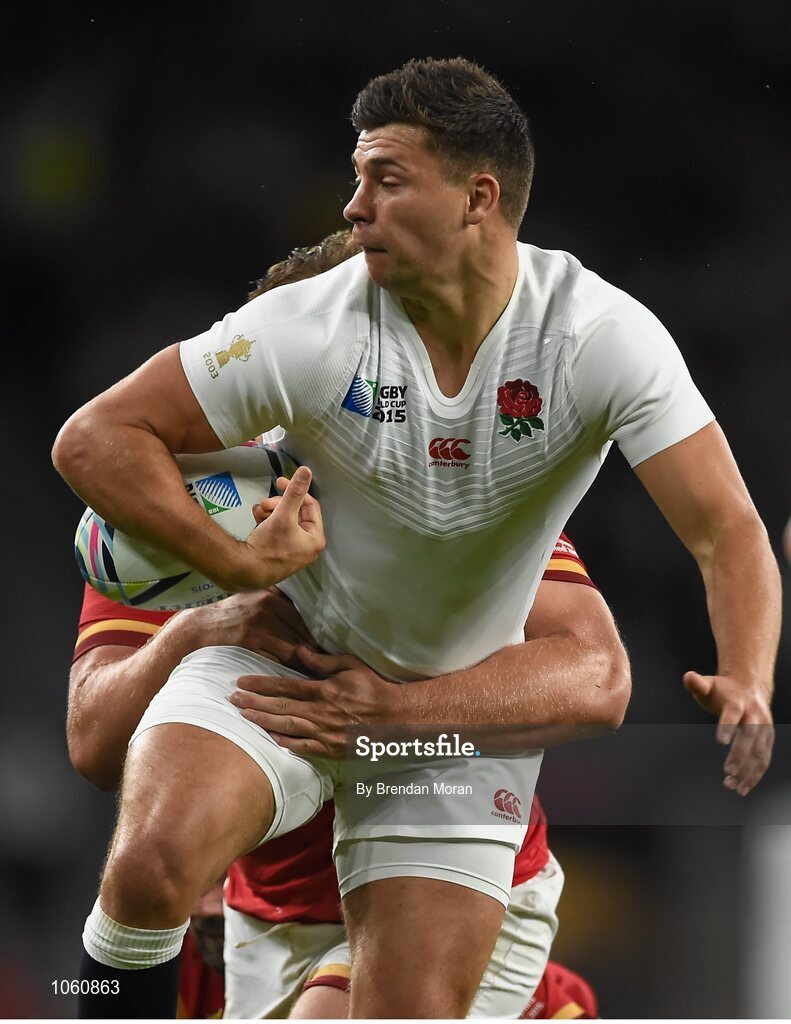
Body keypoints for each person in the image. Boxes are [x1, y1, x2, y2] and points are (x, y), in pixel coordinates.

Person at [53, 56, 778, 1019]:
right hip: (291, 688)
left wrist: (749, 675)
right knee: (146, 865)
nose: (353, 207)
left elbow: (718, 534)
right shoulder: (282, 375)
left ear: (479, 198)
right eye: (356, 179)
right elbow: (92, 440)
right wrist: (232, 574)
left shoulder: (595, 338)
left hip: (436, 731)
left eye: (385, 180)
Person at [70, 530, 601, 1018]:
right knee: (141, 877)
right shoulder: (171, 506)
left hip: (439, 878)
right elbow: (94, 743)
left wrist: (395, 714)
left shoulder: (436, 473)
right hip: (263, 912)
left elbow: (598, 677)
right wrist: (197, 631)